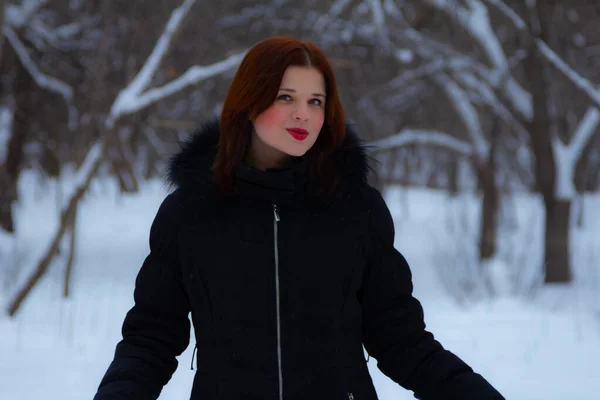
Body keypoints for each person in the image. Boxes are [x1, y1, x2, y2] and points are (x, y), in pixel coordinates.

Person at [93, 36, 504, 400]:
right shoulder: (191, 213)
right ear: (249, 102)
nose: (302, 114)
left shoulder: (356, 210)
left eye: (316, 102)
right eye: (285, 97)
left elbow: (401, 339)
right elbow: (151, 339)